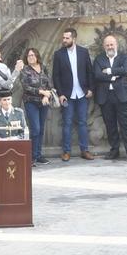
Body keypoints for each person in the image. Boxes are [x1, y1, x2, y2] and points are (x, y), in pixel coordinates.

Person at [52, 25, 95, 161]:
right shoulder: (59, 54)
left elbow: (90, 72)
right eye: (63, 38)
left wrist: (90, 89)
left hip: (82, 93)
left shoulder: (83, 52)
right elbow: (56, 76)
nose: (64, 40)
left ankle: (84, 150)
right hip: (67, 95)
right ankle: (66, 151)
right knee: (67, 123)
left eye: (67, 38)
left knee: (83, 122)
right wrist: (60, 94)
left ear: (74, 39)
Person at [93, 34, 127, 160]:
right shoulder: (99, 59)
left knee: (125, 124)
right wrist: (113, 77)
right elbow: (97, 75)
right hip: (105, 97)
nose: (109, 46)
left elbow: (125, 70)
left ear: (116, 45)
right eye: (107, 45)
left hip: (121, 96)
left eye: (111, 44)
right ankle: (114, 150)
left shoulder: (124, 57)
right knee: (110, 125)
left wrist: (108, 71)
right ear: (103, 46)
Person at [19, 47, 54, 165]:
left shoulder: (43, 68)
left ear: (37, 56)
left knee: (41, 129)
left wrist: (46, 95)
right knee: (35, 129)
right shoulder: (25, 70)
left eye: (33, 55)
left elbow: (49, 83)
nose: (31, 57)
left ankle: (38, 155)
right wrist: (41, 92)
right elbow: (26, 87)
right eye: (29, 56)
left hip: (44, 102)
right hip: (31, 102)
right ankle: (31, 156)